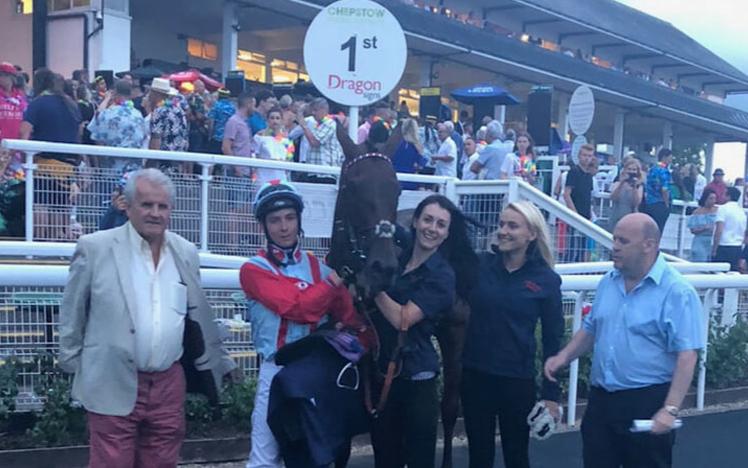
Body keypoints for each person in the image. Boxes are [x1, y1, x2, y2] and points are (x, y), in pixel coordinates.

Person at [59, 168, 235, 467]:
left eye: (162, 206)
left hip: (168, 382)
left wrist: (222, 359)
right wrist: (77, 365)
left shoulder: (186, 252)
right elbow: (72, 311)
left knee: (162, 462)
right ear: (127, 206)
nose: (155, 213)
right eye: (147, 204)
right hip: (112, 377)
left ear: (171, 210)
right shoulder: (96, 247)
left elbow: (196, 314)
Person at [545, 213, 703, 468]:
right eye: (614, 239)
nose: (614, 246)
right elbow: (591, 328)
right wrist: (563, 357)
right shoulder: (609, 282)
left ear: (649, 244)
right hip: (601, 403)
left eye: (623, 241)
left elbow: (687, 355)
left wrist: (670, 409)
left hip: (646, 401)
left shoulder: (677, 292)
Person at [239, 181, 359, 468]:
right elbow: (298, 308)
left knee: (316, 455)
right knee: (264, 459)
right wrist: (333, 282)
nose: (284, 227)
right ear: (264, 226)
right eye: (275, 220)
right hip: (276, 370)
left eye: (290, 218)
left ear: (299, 220)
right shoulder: (253, 269)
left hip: (315, 371)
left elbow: (349, 316)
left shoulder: (320, 267)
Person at [370, 194, 476, 468]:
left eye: (441, 224)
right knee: (385, 459)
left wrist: (372, 289)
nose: (432, 228)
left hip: (418, 380)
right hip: (385, 375)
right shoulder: (399, 258)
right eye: (428, 219)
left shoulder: (442, 276)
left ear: (446, 234)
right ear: (415, 221)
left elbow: (403, 319)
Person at [462, 201, 563, 468]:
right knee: (478, 458)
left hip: (517, 381)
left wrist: (552, 395)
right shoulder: (479, 266)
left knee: (517, 457)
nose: (503, 231)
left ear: (531, 234)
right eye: (502, 224)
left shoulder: (546, 280)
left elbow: (554, 340)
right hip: (475, 376)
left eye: (512, 226)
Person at [20, 68, 82, 240]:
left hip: (44, 162)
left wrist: (25, 156)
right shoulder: (71, 104)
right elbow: (79, 131)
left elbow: (24, 131)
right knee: (59, 205)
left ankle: (38, 240)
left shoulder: (38, 103)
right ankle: (55, 239)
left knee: (40, 202)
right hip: (68, 164)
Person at [87, 79, 148, 171]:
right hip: (134, 169)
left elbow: (97, 137)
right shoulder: (138, 115)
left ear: (114, 92)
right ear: (130, 94)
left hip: (111, 168)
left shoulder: (107, 114)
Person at [148, 77, 189, 173]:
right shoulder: (179, 110)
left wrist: (149, 165)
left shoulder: (159, 112)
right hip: (178, 162)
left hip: (163, 164)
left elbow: (155, 141)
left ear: (156, 94)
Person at [563, 144, 595, 262]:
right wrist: (574, 213)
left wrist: (590, 214)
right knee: (572, 248)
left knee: (582, 247)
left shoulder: (589, 175)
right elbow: (566, 194)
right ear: (579, 156)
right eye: (584, 155)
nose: (587, 158)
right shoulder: (573, 172)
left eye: (590, 156)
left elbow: (589, 196)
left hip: (586, 215)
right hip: (575, 215)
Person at [295, 97, 343, 168]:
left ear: (324, 110)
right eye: (312, 110)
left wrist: (304, 126)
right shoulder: (317, 124)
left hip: (326, 171)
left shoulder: (329, 123)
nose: (313, 113)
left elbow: (315, 142)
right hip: (315, 169)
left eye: (315, 110)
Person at [254, 106, 294, 185]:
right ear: (267, 120)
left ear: (281, 120)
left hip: (281, 178)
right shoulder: (259, 137)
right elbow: (254, 155)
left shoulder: (288, 140)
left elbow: (289, 159)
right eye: (272, 118)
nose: (274, 121)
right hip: (263, 178)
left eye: (277, 118)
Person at [712, 186, 747, 271]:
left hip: (724, 246)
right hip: (737, 247)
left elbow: (719, 230)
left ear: (728, 196)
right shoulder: (741, 211)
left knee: (718, 274)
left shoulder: (723, 209)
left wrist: (714, 249)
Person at [641, 148, 673, 234]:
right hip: (660, 203)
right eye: (670, 157)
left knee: (649, 231)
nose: (671, 160)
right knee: (658, 230)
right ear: (664, 157)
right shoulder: (664, 171)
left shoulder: (652, 169)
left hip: (649, 203)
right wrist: (666, 204)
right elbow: (664, 189)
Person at [608, 158, 643, 233]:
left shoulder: (639, 186)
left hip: (630, 217)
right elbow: (612, 197)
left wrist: (634, 187)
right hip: (616, 215)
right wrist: (622, 183)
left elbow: (636, 203)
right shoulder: (617, 182)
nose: (631, 171)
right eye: (629, 169)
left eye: (634, 170)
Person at [392, 118, 428, 190]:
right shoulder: (416, 146)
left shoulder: (396, 143)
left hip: (395, 177)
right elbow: (420, 165)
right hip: (410, 178)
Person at [687, 189, 718, 262]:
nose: (713, 200)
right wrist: (704, 228)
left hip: (712, 240)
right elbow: (692, 230)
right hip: (700, 240)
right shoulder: (697, 212)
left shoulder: (718, 211)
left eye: (714, 198)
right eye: (711, 198)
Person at [207, 88, 237, 154]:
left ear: (219, 95)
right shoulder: (233, 107)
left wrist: (209, 136)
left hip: (217, 138)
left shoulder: (216, 106)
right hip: (229, 139)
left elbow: (211, 123)